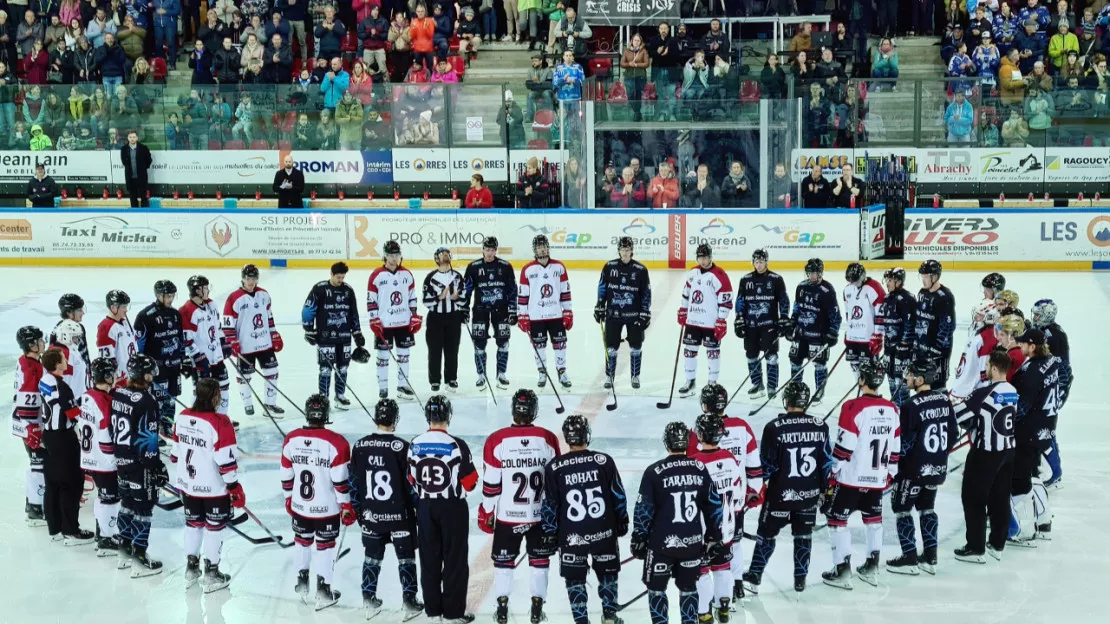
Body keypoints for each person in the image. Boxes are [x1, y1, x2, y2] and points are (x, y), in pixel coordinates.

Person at [478, 389, 560, 623]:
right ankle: (537, 608)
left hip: (508, 516)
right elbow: (555, 481)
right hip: (539, 515)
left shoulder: (497, 439)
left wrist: (487, 511)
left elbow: (491, 485)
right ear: (534, 411)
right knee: (539, 562)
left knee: (504, 563)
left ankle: (502, 608)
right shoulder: (547, 438)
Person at [631, 421, 724, 624]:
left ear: (666, 443)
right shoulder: (699, 468)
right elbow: (714, 506)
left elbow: (643, 510)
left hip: (661, 545)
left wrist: (638, 537)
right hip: (691, 544)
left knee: (656, 590)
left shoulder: (654, 471)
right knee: (689, 588)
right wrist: (714, 536)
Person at [743, 381, 829, 595]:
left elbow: (768, 466)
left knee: (767, 534)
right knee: (803, 536)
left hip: (780, 495)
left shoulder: (774, 427)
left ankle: (754, 575)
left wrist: (754, 489)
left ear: (787, 401)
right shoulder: (821, 426)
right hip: (808, 495)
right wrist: (826, 491)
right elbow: (826, 463)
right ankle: (800, 580)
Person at [540, 414, 627, 624]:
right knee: (608, 573)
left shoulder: (554, 467)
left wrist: (550, 532)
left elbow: (550, 504)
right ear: (587, 435)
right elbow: (618, 495)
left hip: (572, 536)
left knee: (575, 580)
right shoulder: (603, 461)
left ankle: (581, 620)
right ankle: (609, 615)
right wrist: (622, 521)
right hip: (603, 531)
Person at [822, 360, 899, 589]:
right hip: (876, 479)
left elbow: (844, 449)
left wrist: (831, 473)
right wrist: (890, 474)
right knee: (874, 521)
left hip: (851, 479)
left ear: (862, 380)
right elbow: (895, 449)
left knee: (837, 521)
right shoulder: (892, 409)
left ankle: (842, 569)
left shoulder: (853, 407)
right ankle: (872, 566)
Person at [350, 398, 423, 619]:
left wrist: (359, 512)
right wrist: (419, 511)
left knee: (371, 556)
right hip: (399, 515)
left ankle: (368, 599)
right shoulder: (401, 447)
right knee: (406, 558)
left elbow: (353, 484)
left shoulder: (359, 446)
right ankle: (409, 601)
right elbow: (412, 487)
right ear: (395, 419)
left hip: (371, 514)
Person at [280, 394, 353, 610]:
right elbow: (341, 482)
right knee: (325, 547)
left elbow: (286, 475)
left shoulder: (291, 439)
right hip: (327, 508)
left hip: (301, 506)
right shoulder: (337, 442)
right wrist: (346, 506)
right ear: (326, 415)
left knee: (302, 541)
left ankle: (301, 583)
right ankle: (323, 590)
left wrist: (288, 499)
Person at [170, 377, 244, 592]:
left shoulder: (182, 417)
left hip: (188, 486)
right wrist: (234, 488)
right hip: (213, 489)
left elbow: (174, 456)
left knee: (193, 525)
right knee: (214, 529)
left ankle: (191, 568)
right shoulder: (220, 422)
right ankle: (212, 573)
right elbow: (226, 462)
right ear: (214, 397)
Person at [409, 395, 478, 623]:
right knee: (455, 560)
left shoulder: (415, 443)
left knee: (429, 560)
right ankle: (453, 613)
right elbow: (470, 482)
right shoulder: (457, 444)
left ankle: (433, 612)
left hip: (426, 507)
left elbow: (411, 478)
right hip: (452, 508)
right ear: (448, 416)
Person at [887, 359, 957, 575]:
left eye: (910, 374)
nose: (906, 377)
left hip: (912, 471)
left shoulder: (909, 406)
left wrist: (893, 465)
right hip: (936, 468)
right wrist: (936, 456)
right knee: (927, 509)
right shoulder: (944, 400)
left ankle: (909, 556)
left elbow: (904, 444)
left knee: (901, 509)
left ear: (920, 379)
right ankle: (930, 555)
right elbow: (953, 435)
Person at [953, 350, 1017, 562]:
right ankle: (997, 544)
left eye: (988, 365)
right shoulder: (1012, 391)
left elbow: (959, 413)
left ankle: (976, 547)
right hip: (1007, 450)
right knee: (1000, 498)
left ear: (995, 368)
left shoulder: (985, 393)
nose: (986, 368)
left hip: (986, 452)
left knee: (973, 498)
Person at [111, 353, 169, 577]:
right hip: (139, 463)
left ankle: (124, 552)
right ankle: (139, 557)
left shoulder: (119, 393)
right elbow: (148, 439)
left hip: (121, 458)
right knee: (143, 507)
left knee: (126, 502)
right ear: (144, 375)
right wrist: (156, 466)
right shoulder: (147, 401)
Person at [688, 412, 747, 622]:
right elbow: (739, 494)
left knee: (702, 572)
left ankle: (703, 614)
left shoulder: (694, 463)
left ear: (701, 435)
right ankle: (724, 607)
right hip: (727, 525)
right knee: (723, 568)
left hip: (704, 530)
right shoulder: (730, 458)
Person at [1009, 328, 1060, 544]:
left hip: (1029, 432)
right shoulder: (1051, 362)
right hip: (1046, 429)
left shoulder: (1033, 372)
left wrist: (1007, 422)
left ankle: (1026, 530)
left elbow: (1022, 407)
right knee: (1032, 473)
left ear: (1033, 346)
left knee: (1019, 479)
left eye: (1023, 343)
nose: (1019, 346)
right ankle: (1044, 520)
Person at [39, 347, 93, 545]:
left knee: (52, 483)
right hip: (63, 438)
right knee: (72, 483)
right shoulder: (62, 387)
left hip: (49, 437)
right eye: (63, 358)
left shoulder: (44, 380)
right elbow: (72, 414)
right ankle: (71, 531)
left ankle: (54, 528)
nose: (66, 359)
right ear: (57, 364)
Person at [302, 262, 368, 410]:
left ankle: (340, 395)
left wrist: (357, 332)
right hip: (325, 337)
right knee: (325, 369)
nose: (340, 280)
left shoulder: (348, 290)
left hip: (344, 336)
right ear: (331, 274)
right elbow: (308, 309)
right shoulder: (319, 289)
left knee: (343, 367)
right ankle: (323, 399)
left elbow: (353, 313)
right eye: (338, 277)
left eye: (343, 277)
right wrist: (308, 328)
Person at [222, 264, 283, 418]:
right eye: (248, 278)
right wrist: (231, 341)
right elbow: (227, 324)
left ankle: (270, 404)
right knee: (245, 377)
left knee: (272, 372)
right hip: (245, 345)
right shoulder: (234, 298)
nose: (251, 282)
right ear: (242, 278)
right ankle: (247, 403)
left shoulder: (264, 295)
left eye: (253, 278)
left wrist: (274, 334)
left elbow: (268, 317)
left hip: (265, 343)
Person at [78, 357, 122, 553]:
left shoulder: (87, 396)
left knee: (104, 498)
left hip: (90, 456)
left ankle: (103, 532)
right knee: (110, 500)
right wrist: (114, 461)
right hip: (104, 461)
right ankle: (105, 539)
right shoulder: (105, 402)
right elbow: (105, 436)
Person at [595, 236, 651, 390]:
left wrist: (645, 312)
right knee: (611, 348)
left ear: (632, 250)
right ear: (618, 250)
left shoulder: (640, 270)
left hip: (634, 315)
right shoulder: (609, 266)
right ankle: (609, 376)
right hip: (613, 314)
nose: (625, 253)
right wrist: (599, 305)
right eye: (622, 249)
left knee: (636, 347)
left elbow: (646, 293)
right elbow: (602, 288)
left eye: (627, 250)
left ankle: (635, 376)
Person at [133, 280, 186, 442]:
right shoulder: (145, 316)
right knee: (157, 400)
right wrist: (142, 366)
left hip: (174, 366)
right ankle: (153, 429)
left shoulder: (176, 314)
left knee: (171, 398)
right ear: (158, 295)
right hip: (156, 367)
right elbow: (139, 344)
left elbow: (180, 339)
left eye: (172, 295)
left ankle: (167, 425)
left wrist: (184, 359)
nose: (170, 299)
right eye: (167, 295)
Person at [461, 237, 517, 390]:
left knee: (504, 342)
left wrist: (513, 309)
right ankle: (481, 375)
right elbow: (467, 290)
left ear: (496, 250)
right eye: (487, 249)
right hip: (480, 310)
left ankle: (501, 374)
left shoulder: (505, 266)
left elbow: (512, 290)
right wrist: (464, 309)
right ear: (483, 249)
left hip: (501, 310)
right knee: (479, 344)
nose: (490, 253)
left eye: (492, 250)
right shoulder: (473, 267)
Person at [677, 243, 733, 397]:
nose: (703, 260)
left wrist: (721, 319)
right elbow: (686, 293)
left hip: (710, 322)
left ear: (710, 257)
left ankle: (712, 384)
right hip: (693, 320)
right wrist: (683, 309)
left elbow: (726, 298)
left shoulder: (719, 274)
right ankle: (690, 381)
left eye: (706, 257)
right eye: (700, 257)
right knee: (689, 351)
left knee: (713, 352)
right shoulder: (693, 272)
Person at [367, 240, 420, 400]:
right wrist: (374, 319)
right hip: (385, 324)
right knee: (383, 357)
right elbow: (371, 300)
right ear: (385, 255)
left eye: (396, 255)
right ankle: (383, 387)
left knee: (404, 355)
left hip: (403, 322)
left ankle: (403, 385)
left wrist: (414, 316)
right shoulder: (376, 275)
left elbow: (412, 297)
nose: (394, 258)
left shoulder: (407, 274)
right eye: (390, 255)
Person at [518, 234, 573, 389]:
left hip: (556, 314)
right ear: (534, 249)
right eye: (538, 246)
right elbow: (523, 295)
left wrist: (568, 312)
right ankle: (542, 372)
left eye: (544, 245)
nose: (542, 248)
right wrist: (522, 315)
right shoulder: (527, 269)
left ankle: (562, 372)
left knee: (560, 344)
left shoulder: (559, 267)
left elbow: (565, 292)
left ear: (548, 247)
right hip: (536, 316)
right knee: (539, 345)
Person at [735, 249, 790, 399]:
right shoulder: (745, 280)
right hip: (750, 325)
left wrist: (784, 317)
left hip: (769, 325)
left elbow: (784, 300)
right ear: (753, 262)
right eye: (756, 262)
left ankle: (772, 387)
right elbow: (740, 300)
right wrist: (739, 317)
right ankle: (757, 384)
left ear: (766, 262)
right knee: (751, 355)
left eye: (761, 261)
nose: (759, 265)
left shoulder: (776, 279)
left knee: (771, 356)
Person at [788, 258, 841, 403]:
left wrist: (833, 332)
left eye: (814, 273)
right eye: (809, 273)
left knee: (819, 364)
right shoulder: (801, 287)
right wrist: (791, 324)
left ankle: (819, 390)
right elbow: (796, 308)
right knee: (795, 362)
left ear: (820, 273)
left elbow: (835, 314)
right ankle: (795, 389)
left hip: (818, 336)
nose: (811, 276)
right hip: (801, 334)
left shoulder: (827, 290)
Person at [1029, 299, 1069, 487]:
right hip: (1051, 386)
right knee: (1042, 427)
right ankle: (1043, 466)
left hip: (1055, 387)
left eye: (1038, 314)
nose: (1035, 317)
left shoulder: (1053, 336)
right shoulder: (1048, 332)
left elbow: (1058, 367)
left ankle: (1055, 471)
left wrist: (1057, 390)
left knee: (1044, 429)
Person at [13, 326, 48, 527]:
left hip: (28, 423)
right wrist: (31, 428)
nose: (42, 343)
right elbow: (27, 399)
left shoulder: (29, 362)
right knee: (38, 465)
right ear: (30, 344)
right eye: (39, 340)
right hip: (30, 424)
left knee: (38, 464)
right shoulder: (31, 367)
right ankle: (36, 508)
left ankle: (32, 503)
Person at [420, 247, 465, 392]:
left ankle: (451, 378)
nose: (445, 255)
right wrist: (439, 297)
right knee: (434, 350)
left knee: (452, 349)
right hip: (435, 318)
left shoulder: (457, 276)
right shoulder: (431, 278)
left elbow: (464, 296)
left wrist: (456, 298)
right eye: (442, 254)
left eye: (447, 253)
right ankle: (435, 380)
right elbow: (426, 301)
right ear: (436, 258)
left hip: (453, 317)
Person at [913, 260, 957, 390]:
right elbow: (919, 319)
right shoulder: (922, 292)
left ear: (935, 277)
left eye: (926, 276)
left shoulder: (945, 297)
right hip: (922, 350)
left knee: (937, 386)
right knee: (921, 384)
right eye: (922, 276)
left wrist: (937, 349)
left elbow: (948, 327)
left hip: (937, 354)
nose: (923, 279)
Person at [950, 299, 1001, 402]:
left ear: (989, 317)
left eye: (979, 315)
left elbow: (984, 373)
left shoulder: (987, 338)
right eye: (976, 314)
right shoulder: (979, 334)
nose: (975, 318)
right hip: (962, 388)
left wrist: (977, 395)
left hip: (966, 393)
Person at [842, 263, 885, 378]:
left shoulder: (874, 287)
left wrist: (877, 335)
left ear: (862, 277)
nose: (852, 283)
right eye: (850, 280)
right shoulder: (847, 290)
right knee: (855, 367)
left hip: (868, 338)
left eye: (854, 280)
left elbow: (881, 314)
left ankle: (869, 394)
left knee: (871, 371)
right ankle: (860, 394)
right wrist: (849, 333)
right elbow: (849, 313)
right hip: (853, 338)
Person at [879, 267, 915, 407]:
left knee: (902, 383)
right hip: (889, 348)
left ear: (899, 282)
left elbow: (910, 325)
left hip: (903, 350)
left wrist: (905, 345)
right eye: (886, 280)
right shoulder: (887, 298)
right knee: (891, 380)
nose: (887, 283)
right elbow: (887, 324)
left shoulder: (908, 299)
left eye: (890, 280)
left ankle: (905, 411)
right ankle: (895, 409)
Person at [96, 289, 136, 385]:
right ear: (113, 307)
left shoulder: (125, 322)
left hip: (131, 377)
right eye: (123, 307)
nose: (126, 310)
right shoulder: (106, 327)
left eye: (126, 306)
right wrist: (112, 377)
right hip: (118, 382)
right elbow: (106, 359)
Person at [119, 130, 151, 207]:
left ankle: (145, 214)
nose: (132, 139)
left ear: (137, 138)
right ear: (128, 138)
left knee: (144, 198)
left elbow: (149, 160)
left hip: (141, 177)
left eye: (133, 137)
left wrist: (143, 168)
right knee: (133, 198)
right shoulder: (124, 149)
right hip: (130, 178)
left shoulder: (143, 148)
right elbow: (124, 162)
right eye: (130, 137)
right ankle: (135, 215)